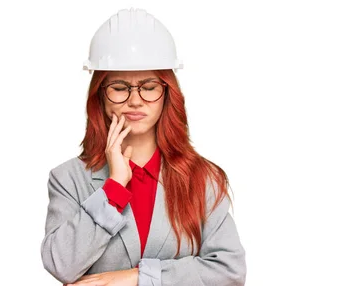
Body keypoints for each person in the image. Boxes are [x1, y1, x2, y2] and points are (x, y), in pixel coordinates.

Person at [40, 8, 246, 286]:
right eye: (120, 87)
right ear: (100, 96)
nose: (135, 100)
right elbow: (61, 265)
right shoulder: (68, 179)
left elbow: (229, 271)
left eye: (149, 86)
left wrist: (139, 278)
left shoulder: (203, 178)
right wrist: (113, 187)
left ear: (166, 94)